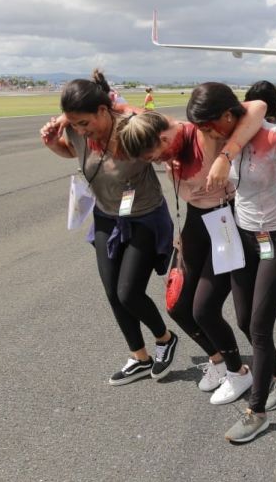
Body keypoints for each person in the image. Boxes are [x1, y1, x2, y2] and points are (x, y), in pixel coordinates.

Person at [186, 82, 276, 443]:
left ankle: (257, 412)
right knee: (243, 320)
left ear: (225, 115)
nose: (208, 136)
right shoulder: (226, 140)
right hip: (245, 237)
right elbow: (249, 110)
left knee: (260, 328)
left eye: (209, 127)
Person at [117, 101, 268, 404]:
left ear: (163, 139)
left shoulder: (203, 132)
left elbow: (258, 106)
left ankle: (240, 373)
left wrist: (226, 156)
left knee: (205, 309)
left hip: (228, 224)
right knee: (177, 305)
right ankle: (219, 360)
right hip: (195, 224)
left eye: (157, 155)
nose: (160, 161)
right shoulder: (160, 137)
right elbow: (124, 109)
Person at [39, 70, 179, 386]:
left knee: (128, 292)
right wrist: (53, 143)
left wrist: (129, 112)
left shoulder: (132, 128)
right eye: (73, 123)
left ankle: (165, 338)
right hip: (106, 216)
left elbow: (170, 130)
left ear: (103, 111)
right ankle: (139, 357)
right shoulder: (74, 130)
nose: (79, 130)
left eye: (84, 123)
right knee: (112, 292)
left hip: (143, 215)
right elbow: (72, 151)